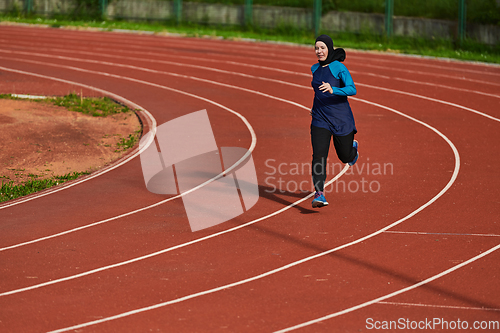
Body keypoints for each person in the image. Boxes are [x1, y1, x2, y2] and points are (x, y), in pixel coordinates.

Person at [310, 34, 358, 208]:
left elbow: (352, 89)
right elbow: (317, 93)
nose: (319, 51)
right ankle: (319, 193)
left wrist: (334, 89)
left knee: (345, 157)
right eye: (317, 48)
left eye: (322, 47)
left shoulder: (338, 67)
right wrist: (314, 109)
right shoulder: (314, 68)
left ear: (329, 48)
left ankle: (353, 150)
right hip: (320, 119)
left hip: (341, 119)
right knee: (318, 156)